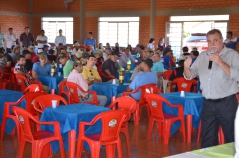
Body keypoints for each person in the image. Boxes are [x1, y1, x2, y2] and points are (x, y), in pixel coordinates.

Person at [184, 29, 239, 148]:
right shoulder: (203, 56)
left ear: (221, 40)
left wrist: (220, 62)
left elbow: (237, 75)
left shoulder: (232, 55)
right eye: (209, 41)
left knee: (232, 138)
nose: (212, 44)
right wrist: (186, 68)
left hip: (227, 103)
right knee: (208, 141)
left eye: (215, 40)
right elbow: (190, 75)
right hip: (208, 104)